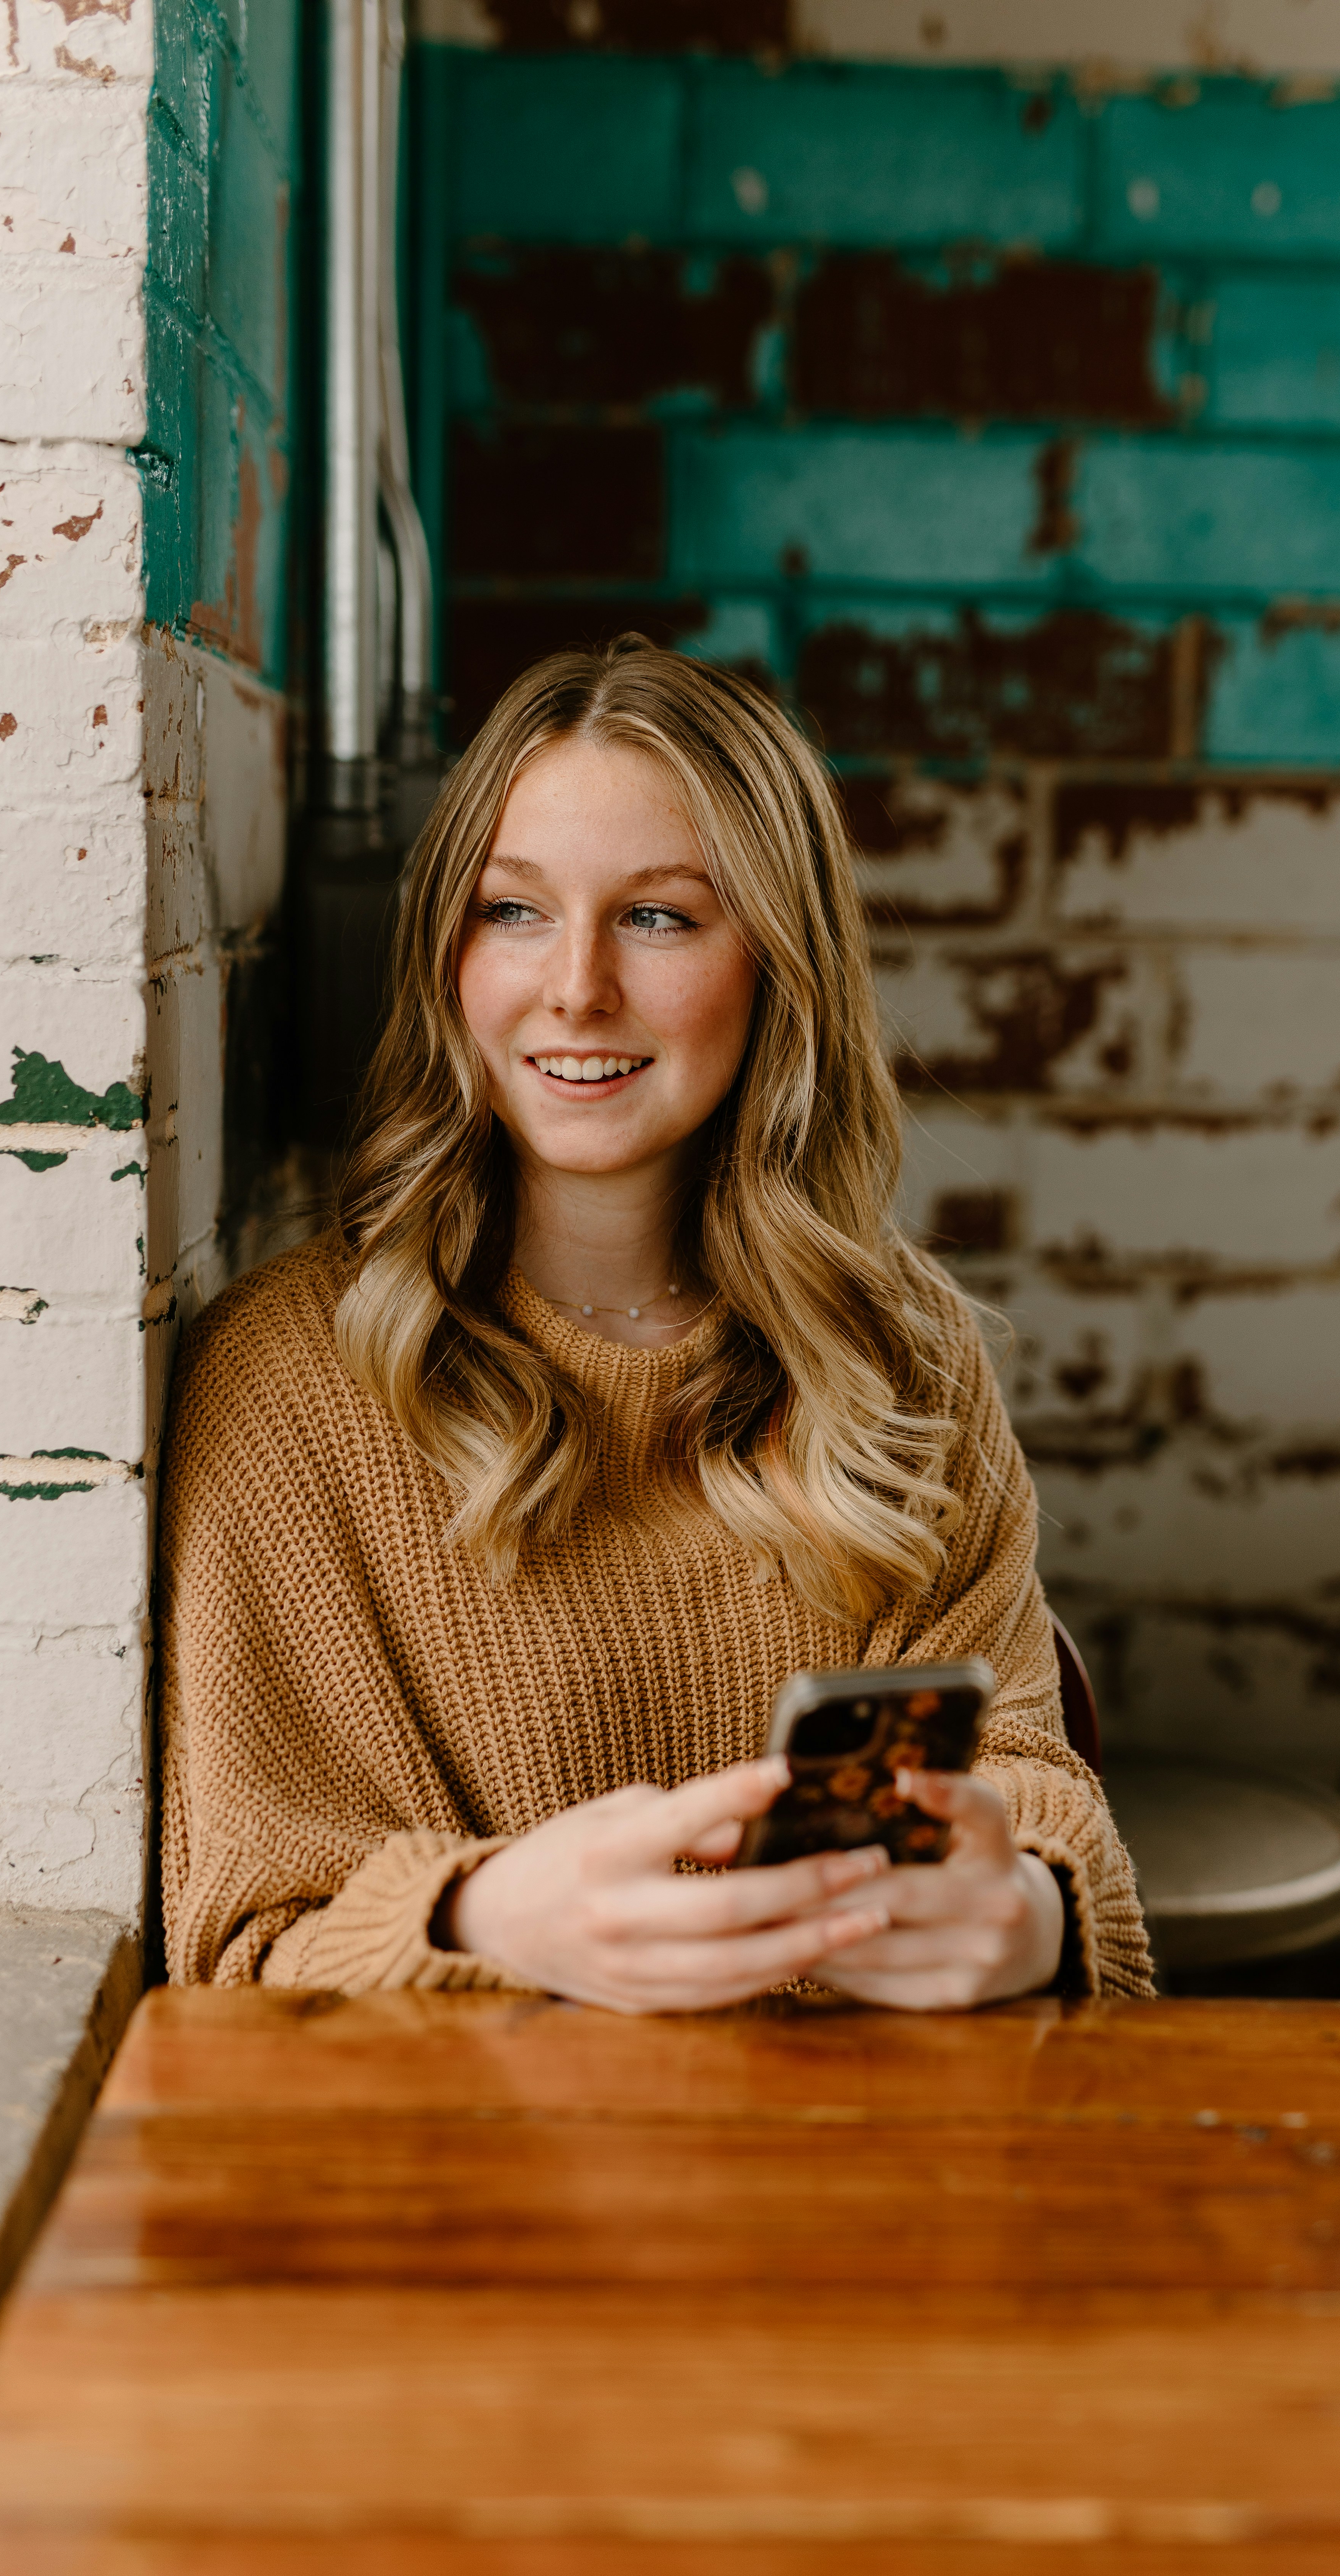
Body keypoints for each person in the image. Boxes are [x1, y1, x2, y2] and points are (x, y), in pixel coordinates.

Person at [158, 637, 1152, 2010]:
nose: (575, 988)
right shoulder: (281, 1385)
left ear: (778, 966)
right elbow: (245, 1950)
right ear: (445, 950)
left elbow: (1035, 1787)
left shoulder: (901, 1353)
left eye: (661, 917)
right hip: (471, 2193)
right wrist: (486, 1913)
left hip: (863, 2169)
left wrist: (1034, 1912)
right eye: (513, 912)